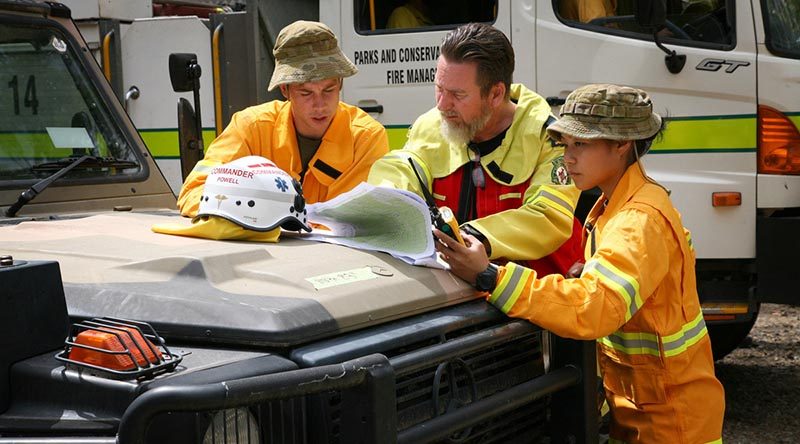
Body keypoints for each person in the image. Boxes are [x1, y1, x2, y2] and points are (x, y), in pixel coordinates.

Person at [434, 84, 725, 443]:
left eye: (581, 145)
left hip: (670, 423)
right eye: (566, 145)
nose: (568, 158)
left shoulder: (637, 220)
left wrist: (490, 276)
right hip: (650, 409)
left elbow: (594, 308)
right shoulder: (621, 204)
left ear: (622, 145)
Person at [368, 22, 583, 277]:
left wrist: (468, 238)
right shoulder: (430, 125)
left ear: (495, 94)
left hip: (542, 295)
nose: (442, 105)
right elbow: (402, 168)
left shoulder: (551, 139)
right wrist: (387, 201)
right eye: (439, 89)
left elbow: (547, 219)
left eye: (458, 95)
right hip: (458, 294)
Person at [177, 20, 389, 217]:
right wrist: (252, 216)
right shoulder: (250, 127)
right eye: (306, 93)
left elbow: (357, 219)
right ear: (285, 90)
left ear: (340, 83)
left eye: (329, 90)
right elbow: (194, 192)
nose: (320, 104)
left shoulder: (366, 137)